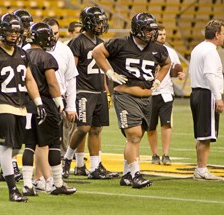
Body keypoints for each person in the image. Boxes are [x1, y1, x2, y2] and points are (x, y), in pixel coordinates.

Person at [0, 13, 46, 202]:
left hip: (20, 105)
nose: (13, 35)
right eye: (9, 31)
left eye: (16, 31)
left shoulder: (22, 53)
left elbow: (29, 79)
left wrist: (38, 103)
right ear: (0, 31)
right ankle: (13, 190)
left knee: (15, 149)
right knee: (7, 147)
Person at [92, 12, 171, 188]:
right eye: (147, 30)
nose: (152, 33)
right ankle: (135, 174)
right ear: (137, 29)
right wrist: (109, 72)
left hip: (146, 99)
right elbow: (97, 52)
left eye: (153, 30)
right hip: (126, 95)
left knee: (136, 137)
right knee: (134, 135)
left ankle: (127, 174)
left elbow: (167, 63)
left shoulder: (157, 48)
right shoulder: (120, 43)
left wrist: (159, 80)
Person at [63, 6, 118, 180]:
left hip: (98, 90)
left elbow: (102, 68)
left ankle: (95, 166)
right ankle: (67, 159)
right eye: (98, 21)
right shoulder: (77, 42)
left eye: (102, 21)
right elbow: (71, 69)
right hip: (83, 90)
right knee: (83, 127)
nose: (101, 25)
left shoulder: (100, 43)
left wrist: (105, 89)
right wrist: (70, 93)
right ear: (88, 22)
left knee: (96, 129)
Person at [22, 22, 77, 195]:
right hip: (45, 104)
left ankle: (27, 185)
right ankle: (57, 183)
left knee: (30, 145)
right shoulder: (47, 57)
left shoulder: (21, 54)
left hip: (26, 104)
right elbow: (52, 83)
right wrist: (60, 103)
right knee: (53, 143)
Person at [189, 20, 224, 181]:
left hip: (196, 92)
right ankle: (202, 169)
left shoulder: (198, 48)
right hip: (206, 94)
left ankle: (200, 168)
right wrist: (218, 97)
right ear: (217, 34)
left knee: (201, 134)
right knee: (206, 135)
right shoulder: (210, 51)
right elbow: (210, 75)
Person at [147, 24, 185, 165]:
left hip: (166, 92)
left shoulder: (170, 52)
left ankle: (166, 154)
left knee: (166, 124)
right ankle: (154, 154)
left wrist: (179, 73)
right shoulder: (147, 50)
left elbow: (175, 68)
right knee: (150, 126)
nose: (162, 36)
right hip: (149, 92)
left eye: (164, 34)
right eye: (160, 34)